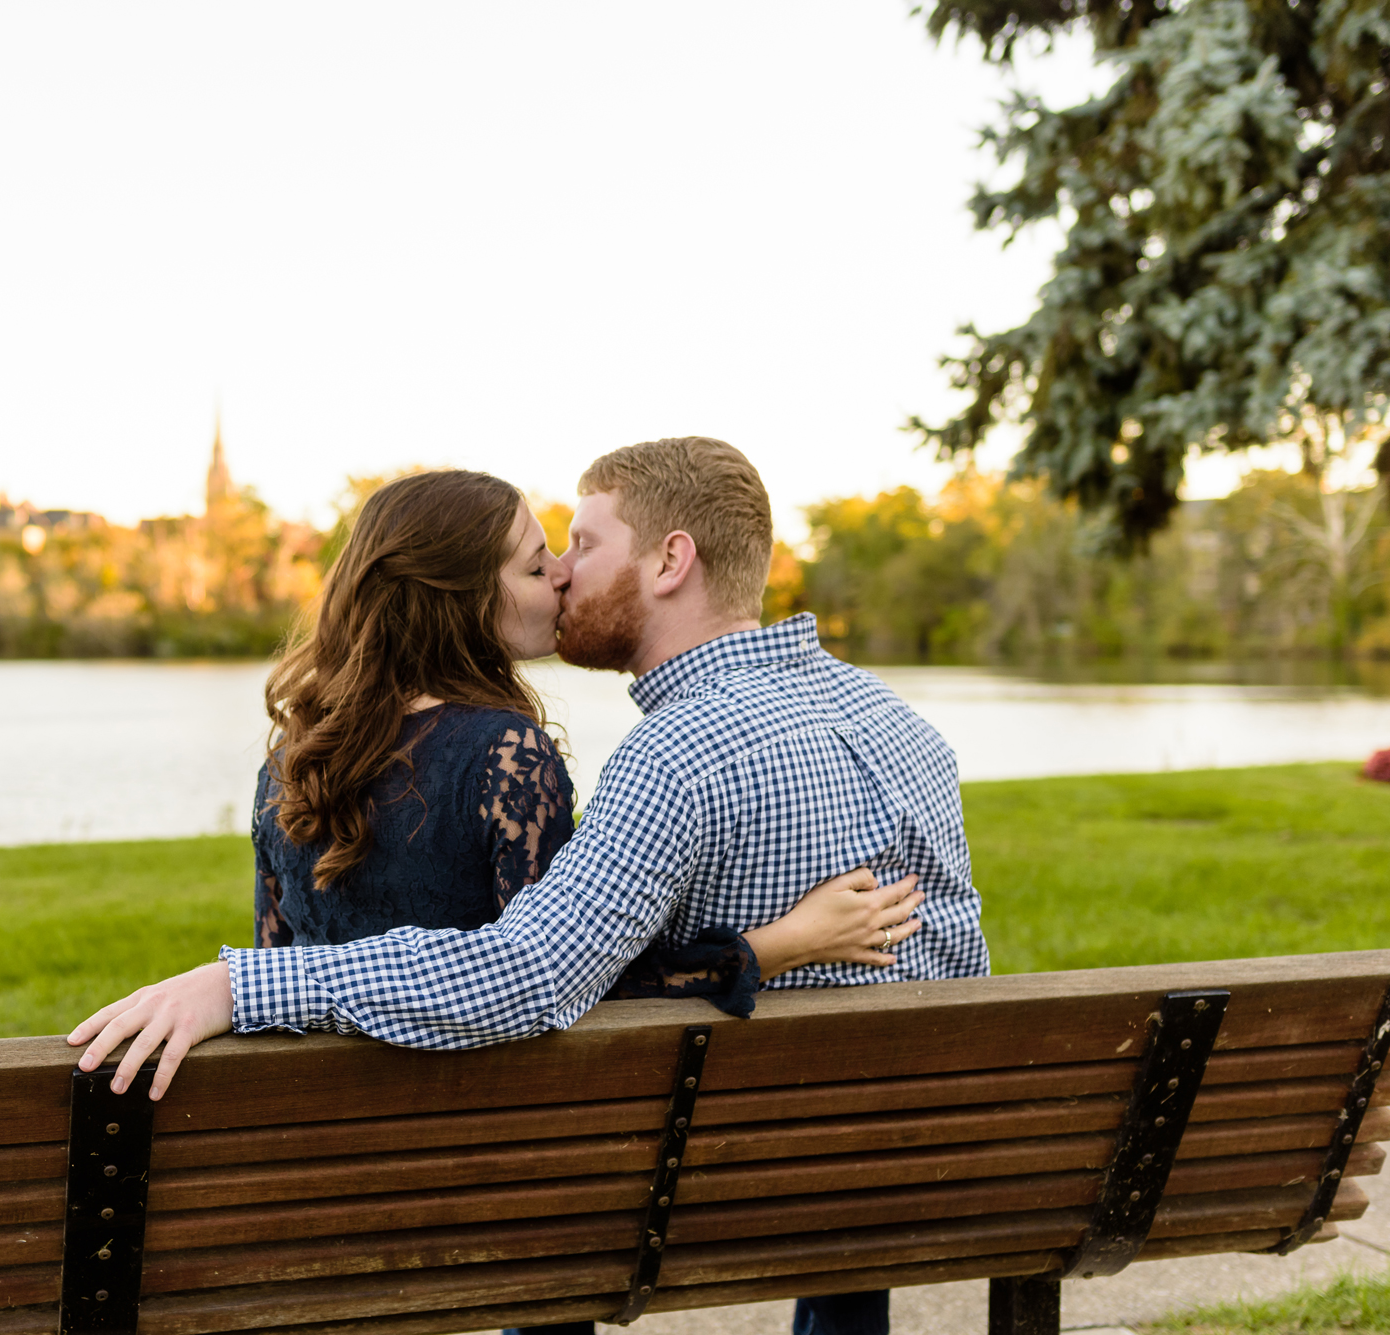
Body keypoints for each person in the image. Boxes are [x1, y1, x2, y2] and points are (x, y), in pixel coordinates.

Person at [70, 438, 991, 1335]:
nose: (564, 572)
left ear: (672, 561)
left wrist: (245, 983)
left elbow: (533, 970)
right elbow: (955, 961)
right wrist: (773, 950)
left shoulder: (679, 756)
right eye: (545, 555)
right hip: (909, 1171)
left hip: (668, 1186)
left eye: (582, 544)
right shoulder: (902, 725)